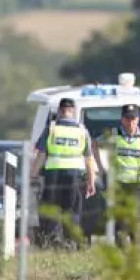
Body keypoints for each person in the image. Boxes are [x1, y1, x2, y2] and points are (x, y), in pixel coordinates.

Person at [30, 98, 97, 246]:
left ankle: (53, 241)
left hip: (53, 174)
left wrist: (33, 174)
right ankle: (71, 241)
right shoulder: (82, 131)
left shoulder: (51, 128)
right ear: (72, 112)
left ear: (60, 111)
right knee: (72, 209)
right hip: (75, 175)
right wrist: (91, 181)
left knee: (52, 208)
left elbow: (41, 154)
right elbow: (89, 158)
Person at [98, 104, 140, 244]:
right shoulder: (114, 134)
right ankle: (121, 254)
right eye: (127, 118)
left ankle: (136, 252)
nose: (130, 122)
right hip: (119, 184)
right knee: (120, 222)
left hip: (137, 185)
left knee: (135, 220)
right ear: (122, 119)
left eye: (133, 119)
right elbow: (94, 144)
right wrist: (101, 168)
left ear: (138, 119)